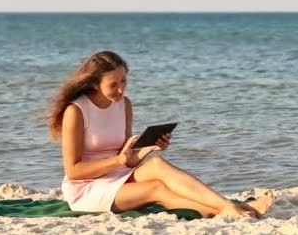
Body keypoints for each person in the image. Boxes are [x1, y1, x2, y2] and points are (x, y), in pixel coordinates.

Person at [48, 50, 274, 218]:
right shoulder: (76, 111)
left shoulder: (123, 104)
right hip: (86, 189)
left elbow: (127, 158)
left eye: (124, 81)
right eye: (113, 85)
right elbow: (74, 171)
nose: (121, 89)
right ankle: (234, 210)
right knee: (157, 189)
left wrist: (147, 149)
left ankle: (229, 207)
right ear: (95, 84)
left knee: (157, 164)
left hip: (116, 175)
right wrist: (119, 160)